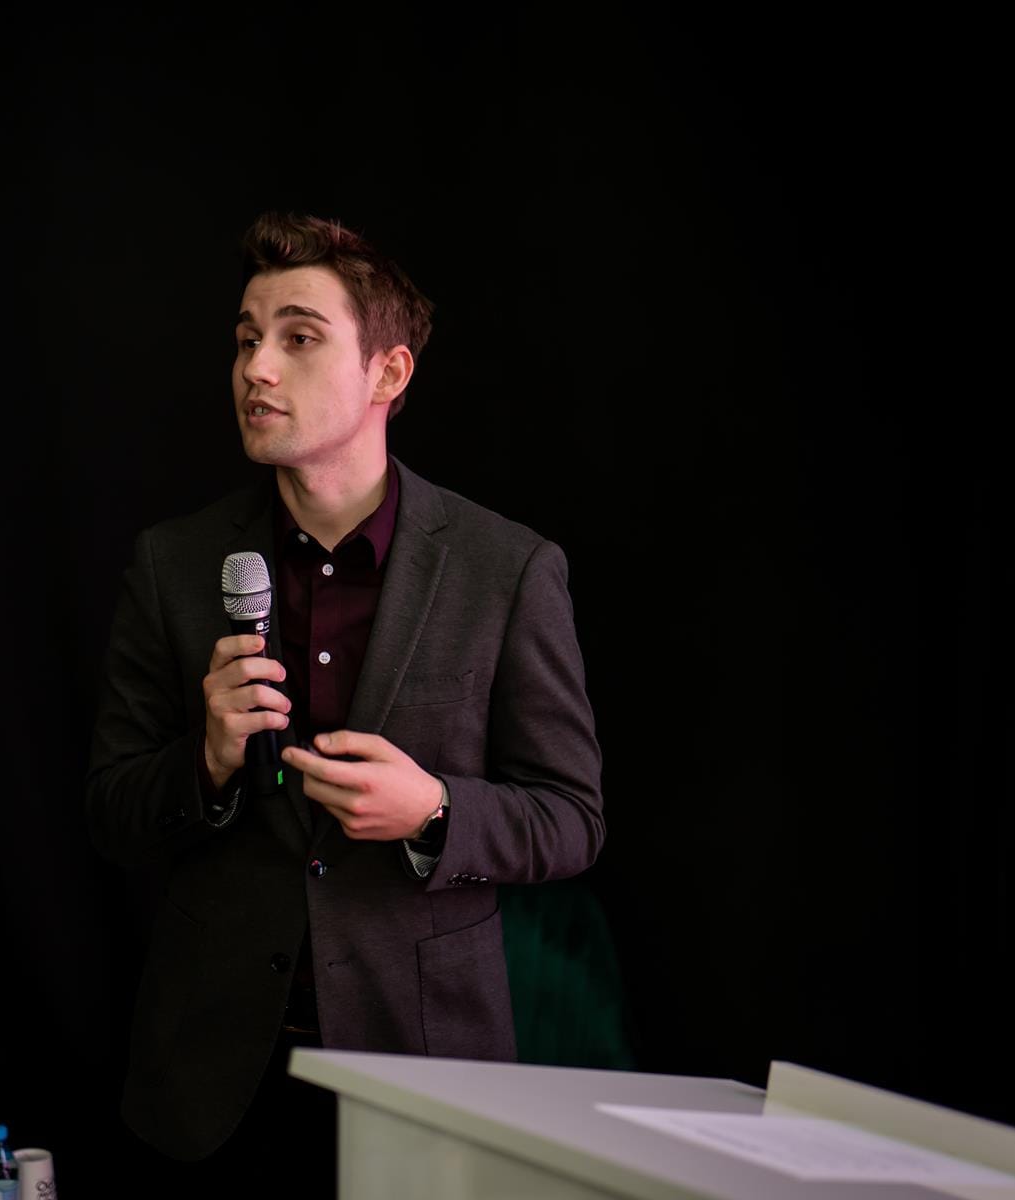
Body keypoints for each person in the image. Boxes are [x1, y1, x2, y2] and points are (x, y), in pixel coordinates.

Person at [85, 212, 604, 1186]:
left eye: (299, 338)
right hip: (213, 1083)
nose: (256, 368)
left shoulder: (506, 568)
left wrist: (435, 812)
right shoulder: (173, 564)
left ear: (388, 374)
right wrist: (205, 762)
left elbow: (572, 818)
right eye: (246, 339)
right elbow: (111, 812)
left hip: (422, 1074)